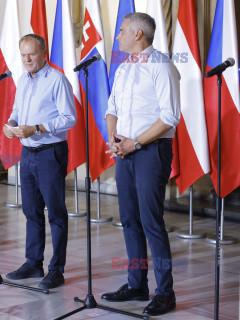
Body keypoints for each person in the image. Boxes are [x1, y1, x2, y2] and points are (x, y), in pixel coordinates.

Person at [102, 13, 180, 316]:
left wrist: (134, 143)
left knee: (151, 221)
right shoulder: (123, 68)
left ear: (138, 35)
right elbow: (112, 108)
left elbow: (170, 116)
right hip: (125, 151)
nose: (118, 36)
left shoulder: (161, 65)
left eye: (122, 31)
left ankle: (166, 292)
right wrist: (114, 138)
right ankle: (137, 284)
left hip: (151, 151)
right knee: (130, 220)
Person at [3, 34, 76, 289]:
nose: (27, 60)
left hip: (50, 152)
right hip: (28, 153)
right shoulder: (23, 80)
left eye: (31, 54)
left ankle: (57, 269)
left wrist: (36, 128)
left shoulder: (57, 80)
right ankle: (33, 263)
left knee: (55, 212)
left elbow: (69, 118)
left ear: (43, 53)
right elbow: (16, 111)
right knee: (31, 211)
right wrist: (11, 124)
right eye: (23, 55)